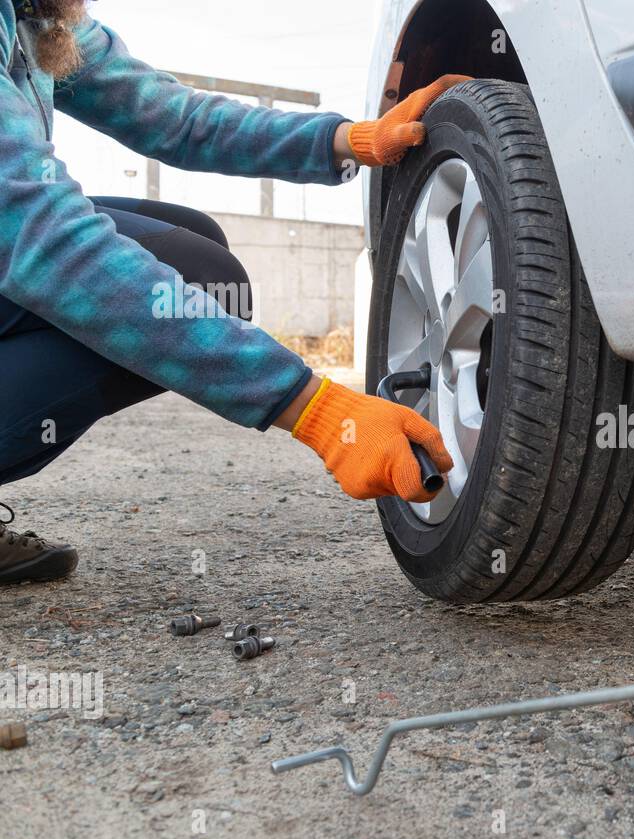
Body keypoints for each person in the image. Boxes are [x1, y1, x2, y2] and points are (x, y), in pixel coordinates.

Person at [0, 0, 468, 585]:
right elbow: (43, 237)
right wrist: (312, 406)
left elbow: (173, 117)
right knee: (198, 277)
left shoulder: (36, 13)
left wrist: (345, 139)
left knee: (195, 246)